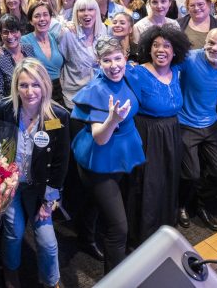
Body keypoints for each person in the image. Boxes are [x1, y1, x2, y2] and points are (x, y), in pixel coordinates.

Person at [70, 37, 144, 271]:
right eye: (107, 60)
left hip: (122, 152)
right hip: (99, 159)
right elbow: (100, 138)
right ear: (98, 62)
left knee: (95, 201)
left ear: (125, 58)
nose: (114, 65)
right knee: (118, 228)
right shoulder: (95, 90)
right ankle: (115, 278)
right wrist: (112, 120)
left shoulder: (129, 75)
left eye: (117, 58)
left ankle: (85, 236)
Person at [0, 59, 69, 288]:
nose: (30, 91)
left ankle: (51, 281)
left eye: (35, 85)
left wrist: (49, 201)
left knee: (48, 243)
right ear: (16, 86)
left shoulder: (57, 116)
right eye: (24, 85)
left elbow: (60, 162)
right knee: (13, 234)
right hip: (12, 186)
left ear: (45, 85)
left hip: (41, 189)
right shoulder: (5, 109)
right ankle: (11, 273)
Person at [127, 26, 188, 243]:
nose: (160, 50)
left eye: (166, 46)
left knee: (168, 180)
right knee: (148, 184)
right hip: (147, 135)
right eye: (155, 45)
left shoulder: (177, 71)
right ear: (148, 48)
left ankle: (164, 228)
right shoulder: (137, 72)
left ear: (175, 51)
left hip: (171, 133)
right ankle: (143, 235)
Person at [177, 28, 217, 231]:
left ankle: (201, 204)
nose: (215, 48)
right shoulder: (190, 58)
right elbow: (164, 69)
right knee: (191, 174)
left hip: (211, 124)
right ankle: (182, 205)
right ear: (205, 42)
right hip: (185, 123)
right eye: (211, 42)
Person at [58, 0, 108, 109]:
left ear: (97, 11)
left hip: (98, 92)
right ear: (76, 13)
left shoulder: (103, 29)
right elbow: (60, 61)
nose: (86, 13)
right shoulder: (68, 33)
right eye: (81, 10)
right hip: (74, 96)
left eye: (90, 9)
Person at [0, 14, 36, 111]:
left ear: (20, 31)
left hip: (34, 103)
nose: (10, 36)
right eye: (5, 32)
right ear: (0, 34)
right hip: (13, 111)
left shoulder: (29, 49)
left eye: (13, 31)